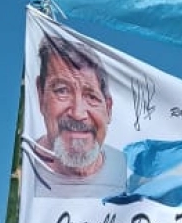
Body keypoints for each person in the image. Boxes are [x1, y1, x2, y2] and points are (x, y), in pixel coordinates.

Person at [27, 33, 127, 196]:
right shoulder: (22, 169)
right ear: (40, 94)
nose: (77, 113)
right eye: (62, 91)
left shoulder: (130, 174)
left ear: (108, 109)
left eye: (91, 96)